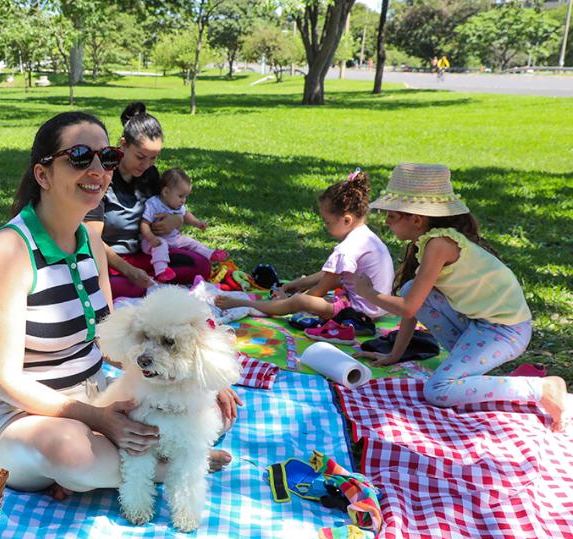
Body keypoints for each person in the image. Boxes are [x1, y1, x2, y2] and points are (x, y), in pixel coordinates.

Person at [0, 111, 240, 500]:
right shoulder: (8, 251)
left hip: (92, 397)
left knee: (208, 413)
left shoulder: (90, 241)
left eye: (106, 157)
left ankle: (101, 470)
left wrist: (198, 381)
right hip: (15, 417)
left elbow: (112, 340)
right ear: (43, 175)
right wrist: (97, 421)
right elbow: (4, 380)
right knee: (71, 451)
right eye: (79, 157)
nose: (97, 169)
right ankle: (176, 466)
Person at [354, 163, 566, 431]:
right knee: (410, 289)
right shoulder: (430, 242)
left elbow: (408, 309)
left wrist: (368, 293)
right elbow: (414, 305)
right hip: (478, 325)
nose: (386, 222)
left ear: (416, 219)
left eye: (392, 216)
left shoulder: (439, 245)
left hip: (506, 330)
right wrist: (396, 354)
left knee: (439, 389)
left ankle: (541, 387)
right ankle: (469, 371)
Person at [215, 169, 393, 324]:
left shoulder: (346, 250)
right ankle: (290, 291)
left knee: (301, 301)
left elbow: (319, 290)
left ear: (347, 220)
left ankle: (247, 304)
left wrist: (289, 299)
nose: (325, 226)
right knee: (321, 286)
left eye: (327, 222)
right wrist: (296, 284)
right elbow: (331, 275)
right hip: (377, 307)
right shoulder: (367, 238)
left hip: (359, 312)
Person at [85, 102, 214, 299]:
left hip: (147, 254)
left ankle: (152, 285)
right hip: (110, 261)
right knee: (114, 286)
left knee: (201, 265)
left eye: (153, 158)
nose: (146, 165)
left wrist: (176, 221)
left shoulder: (150, 175)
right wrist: (128, 270)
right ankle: (151, 286)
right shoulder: (102, 177)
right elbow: (92, 240)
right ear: (123, 145)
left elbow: (167, 207)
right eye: (140, 157)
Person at [140, 168, 228, 283]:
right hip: (152, 241)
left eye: (185, 197)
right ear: (166, 192)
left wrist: (198, 223)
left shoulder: (178, 205)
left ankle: (210, 253)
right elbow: (144, 223)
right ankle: (161, 271)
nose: (183, 201)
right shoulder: (153, 204)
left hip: (173, 238)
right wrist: (151, 238)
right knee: (161, 245)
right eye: (181, 196)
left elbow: (186, 214)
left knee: (191, 242)